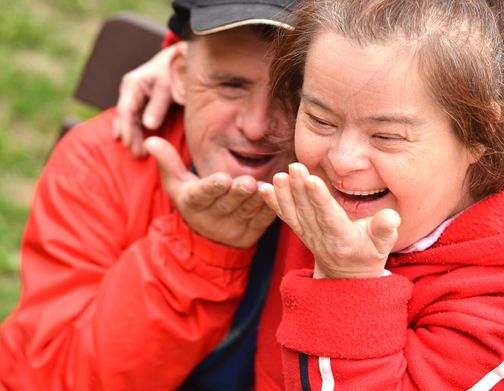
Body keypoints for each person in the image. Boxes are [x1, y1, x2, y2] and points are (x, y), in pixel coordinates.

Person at [254, 0, 504, 389]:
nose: (341, 161)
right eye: (320, 120)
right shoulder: (310, 163)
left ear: (479, 134)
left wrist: (346, 284)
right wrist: (184, 59)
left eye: (387, 136)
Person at [0, 0, 298, 389]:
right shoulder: (101, 163)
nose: (257, 125)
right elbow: (51, 377)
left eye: (293, 91)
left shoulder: (361, 199)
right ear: (178, 74)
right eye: (230, 85)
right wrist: (199, 252)